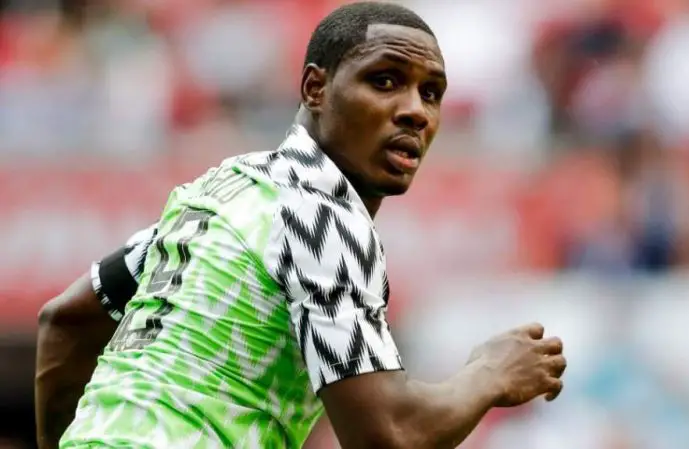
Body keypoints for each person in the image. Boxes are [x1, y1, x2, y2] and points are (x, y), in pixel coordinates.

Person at [36, 2, 567, 448]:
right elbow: (388, 434)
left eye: (431, 93)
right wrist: (490, 373)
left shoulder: (225, 190)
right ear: (315, 88)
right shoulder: (321, 214)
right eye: (384, 81)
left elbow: (67, 318)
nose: (416, 111)